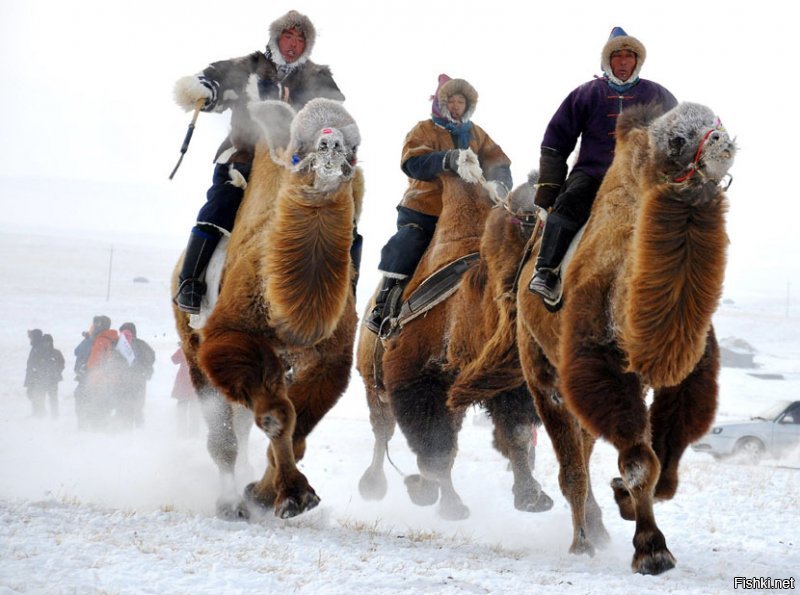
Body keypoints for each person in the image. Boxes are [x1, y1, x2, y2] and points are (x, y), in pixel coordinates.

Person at [172, 9, 356, 314]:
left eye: (301, 38)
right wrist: (205, 88)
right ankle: (190, 281)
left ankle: (343, 293)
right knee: (222, 201)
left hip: (296, 163)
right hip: (245, 153)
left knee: (341, 212)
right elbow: (214, 80)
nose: (294, 42)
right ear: (276, 37)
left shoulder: (316, 77)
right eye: (288, 35)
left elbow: (330, 111)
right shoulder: (248, 67)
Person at [527, 27, 678, 303]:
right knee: (569, 202)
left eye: (629, 56)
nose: (622, 62)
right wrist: (549, 189)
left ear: (637, 61)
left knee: (674, 217)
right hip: (593, 173)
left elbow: (677, 138)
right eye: (616, 56)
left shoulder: (658, 95)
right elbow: (556, 141)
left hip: (641, 177)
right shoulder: (585, 94)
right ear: (607, 61)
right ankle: (546, 271)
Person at [365, 74, 513, 334]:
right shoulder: (424, 130)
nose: (457, 106)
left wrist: (499, 184)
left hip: (472, 212)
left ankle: (510, 301)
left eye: (461, 102)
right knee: (408, 241)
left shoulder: (477, 133)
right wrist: (447, 160)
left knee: (505, 242)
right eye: (452, 101)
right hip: (426, 207)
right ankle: (384, 303)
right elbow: (412, 162)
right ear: (441, 103)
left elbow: (497, 160)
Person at [115, 322, 155, 429]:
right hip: (139, 378)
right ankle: (139, 427)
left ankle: (123, 427)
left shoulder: (118, 344)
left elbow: (112, 360)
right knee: (138, 404)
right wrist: (145, 370)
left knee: (123, 404)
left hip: (122, 379)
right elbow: (151, 357)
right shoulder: (141, 344)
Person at [171, 347, 201, 437]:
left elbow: (174, 359)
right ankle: (194, 434)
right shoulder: (201, 349)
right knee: (194, 411)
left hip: (183, 385)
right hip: (196, 384)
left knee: (182, 411)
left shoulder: (185, 348)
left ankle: (181, 433)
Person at [40, 334, 65, 419]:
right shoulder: (39, 353)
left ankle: (55, 415)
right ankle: (41, 414)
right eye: (44, 342)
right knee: (41, 397)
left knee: (53, 398)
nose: (46, 343)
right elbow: (36, 364)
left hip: (53, 379)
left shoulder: (56, 352)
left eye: (48, 341)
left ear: (51, 342)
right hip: (42, 379)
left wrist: (57, 372)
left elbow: (62, 364)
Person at [24, 329, 47, 417]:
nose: (30, 339)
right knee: (34, 396)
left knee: (37, 396)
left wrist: (35, 376)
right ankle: (38, 414)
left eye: (31, 337)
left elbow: (38, 364)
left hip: (37, 378)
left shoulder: (38, 348)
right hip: (36, 377)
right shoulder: (37, 347)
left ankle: (39, 415)